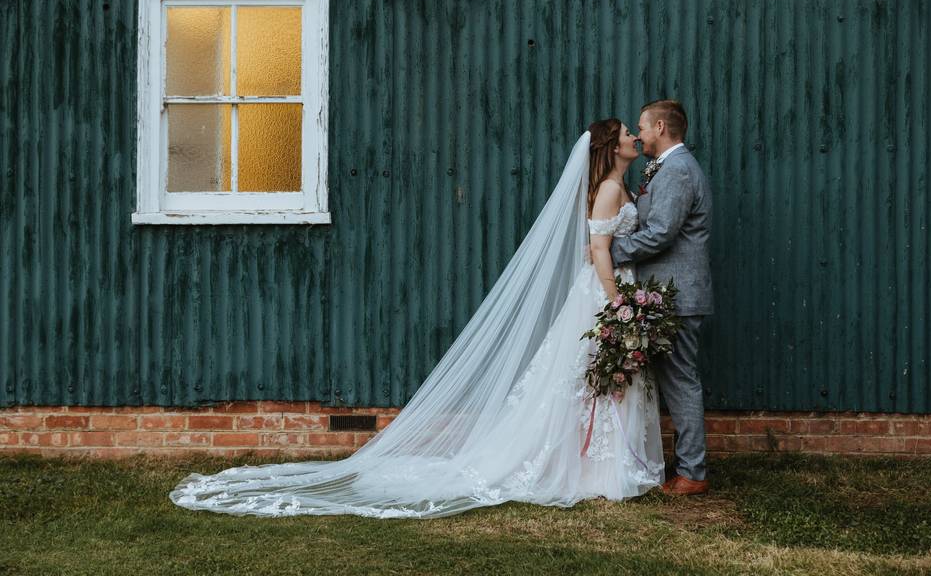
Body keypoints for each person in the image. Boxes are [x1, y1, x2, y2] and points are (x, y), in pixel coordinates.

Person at [169, 119, 664, 519]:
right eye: (626, 134)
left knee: (597, 381)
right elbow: (599, 250)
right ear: (610, 146)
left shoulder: (618, 186)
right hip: (605, 294)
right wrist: (617, 302)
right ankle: (595, 470)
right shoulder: (606, 190)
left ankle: (601, 468)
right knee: (591, 380)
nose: (633, 138)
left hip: (611, 290)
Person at [611, 99, 714, 496]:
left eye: (641, 127)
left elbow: (660, 233)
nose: (637, 135)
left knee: (681, 381)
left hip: (679, 294)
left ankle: (693, 473)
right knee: (671, 381)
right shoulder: (667, 168)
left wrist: (610, 251)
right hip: (669, 292)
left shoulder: (678, 170)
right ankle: (680, 465)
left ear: (659, 126)